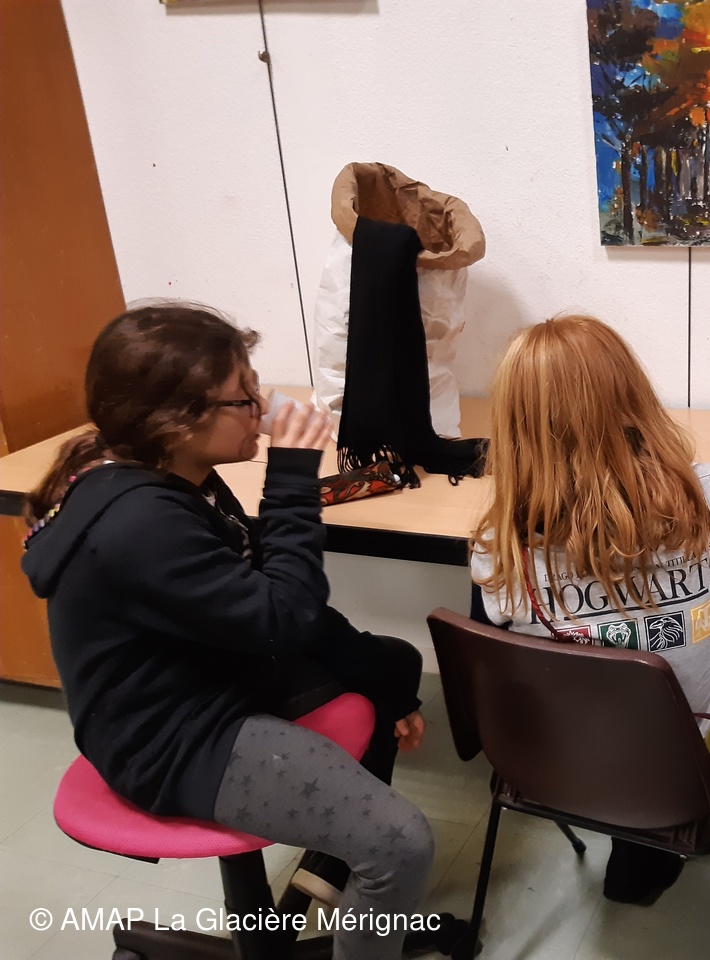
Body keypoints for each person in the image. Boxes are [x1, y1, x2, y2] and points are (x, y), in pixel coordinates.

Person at [22, 303, 456, 959]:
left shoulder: (180, 477)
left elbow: (269, 596)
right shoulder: (141, 523)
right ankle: (365, 868)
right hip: (171, 738)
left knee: (390, 664)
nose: (263, 407)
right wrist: (292, 476)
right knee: (402, 843)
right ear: (177, 421)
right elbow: (283, 617)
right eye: (244, 397)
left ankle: (331, 867)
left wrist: (388, 686)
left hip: (213, 671)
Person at [469, 314, 710, 905]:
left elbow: (494, 651)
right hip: (683, 767)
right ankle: (645, 858)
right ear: (634, 397)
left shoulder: (498, 547)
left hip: (551, 761)